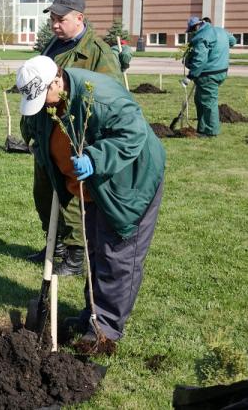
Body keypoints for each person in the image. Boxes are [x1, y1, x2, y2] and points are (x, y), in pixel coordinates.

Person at [16, 55, 165, 348]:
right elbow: (36, 127)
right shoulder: (51, 102)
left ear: (57, 80)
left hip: (128, 182)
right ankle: (92, 314)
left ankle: (105, 330)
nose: (42, 104)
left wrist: (96, 159)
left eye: (43, 97)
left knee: (116, 254)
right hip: (92, 187)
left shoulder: (100, 99)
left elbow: (132, 133)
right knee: (95, 250)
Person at [21, 0, 123, 277]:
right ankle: (54, 245)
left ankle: (77, 254)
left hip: (73, 135)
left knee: (73, 194)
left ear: (79, 17)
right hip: (46, 131)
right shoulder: (53, 45)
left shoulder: (98, 54)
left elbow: (108, 98)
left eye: (60, 19)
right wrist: (29, 128)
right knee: (43, 191)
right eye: (52, 19)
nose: (54, 25)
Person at [184, 16, 236, 137]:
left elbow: (200, 60)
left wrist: (190, 76)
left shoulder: (201, 37)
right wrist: (219, 50)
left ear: (196, 26)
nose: (192, 33)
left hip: (208, 74)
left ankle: (210, 131)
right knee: (199, 99)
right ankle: (202, 128)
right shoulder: (220, 30)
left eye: (192, 31)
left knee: (208, 102)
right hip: (221, 72)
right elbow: (232, 41)